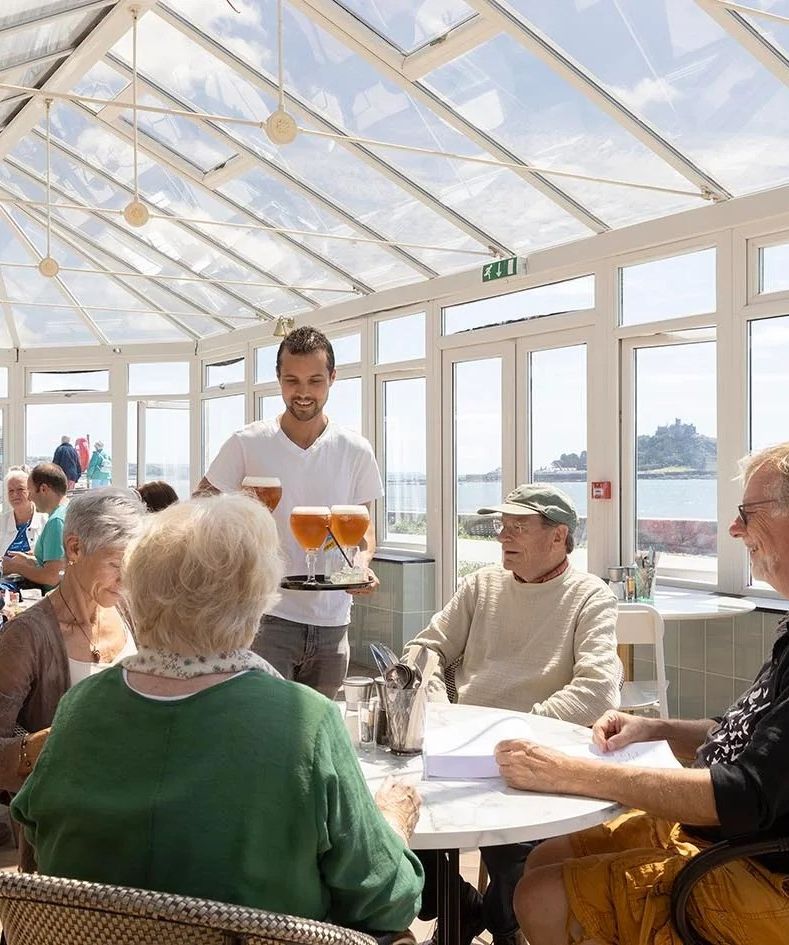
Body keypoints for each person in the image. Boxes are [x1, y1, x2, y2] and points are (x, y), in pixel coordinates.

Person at [11, 494, 423, 934]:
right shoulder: (305, 721)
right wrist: (393, 823)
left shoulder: (81, 707)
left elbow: (36, 841)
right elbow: (386, 899)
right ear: (257, 601)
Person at [501, 442, 789, 945]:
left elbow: (744, 794)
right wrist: (656, 727)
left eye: (747, 513)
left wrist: (577, 774)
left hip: (763, 876)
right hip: (725, 838)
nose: (734, 529)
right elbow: (753, 737)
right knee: (548, 853)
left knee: (539, 896)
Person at [403, 483, 620, 945]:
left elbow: (599, 689)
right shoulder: (482, 584)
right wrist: (440, 708)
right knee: (385, 816)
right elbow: (424, 648)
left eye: (518, 527)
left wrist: (521, 730)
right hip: (459, 744)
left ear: (558, 537)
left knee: (514, 849)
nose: (504, 536)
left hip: (534, 752)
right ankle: (460, 905)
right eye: (502, 526)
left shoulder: (590, 596)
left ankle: (498, 919)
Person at [196, 326, 383, 699]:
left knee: (315, 732)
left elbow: (363, 529)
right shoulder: (247, 442)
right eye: (291, 380)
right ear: (278, 380)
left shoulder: (355, 449)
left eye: (315, 380)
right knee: (260, 730)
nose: (303, 392)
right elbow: (200, 506)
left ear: (332, 378)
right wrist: (239, 515)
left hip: (333, 621)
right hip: (266, 617)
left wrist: (361, 565)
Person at [0, 488, 144, 864]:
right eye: (116, 563)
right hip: (60, 843)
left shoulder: (134, 617)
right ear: (75, 549)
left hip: (135, 829)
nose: (127, 577)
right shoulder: (26, 636)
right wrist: (46, 744)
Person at [2, 463, 69, 593]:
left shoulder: (56, 521)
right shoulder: (66, 512)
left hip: (53, 599)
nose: (30, 497)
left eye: (29, 491)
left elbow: (52, 576)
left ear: (43, 489)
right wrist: (29, 559)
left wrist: (16, 567)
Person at [0, 467, 47, 585]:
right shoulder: (2, 522)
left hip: (35, 583)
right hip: (4, 581)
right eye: (10, 491)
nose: (15, 494)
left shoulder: (46, 521)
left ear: (30, 491)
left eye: (20, 489)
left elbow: (52, 562)